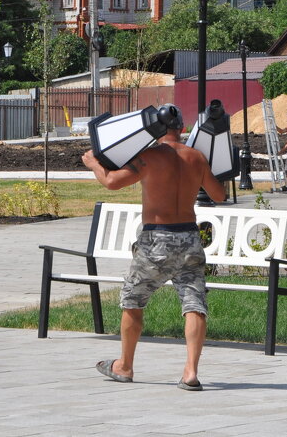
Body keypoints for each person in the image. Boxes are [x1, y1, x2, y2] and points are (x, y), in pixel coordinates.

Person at [82, 105, 227, 392]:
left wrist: (94, 164)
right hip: (188, 237)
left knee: (133, 300)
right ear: (182, 129)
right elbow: (219, 195)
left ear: (153, 129)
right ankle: (191, 371)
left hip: (155, 241)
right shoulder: (197, 157)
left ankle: (124, 365)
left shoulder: (147, 157)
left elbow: (111, 182)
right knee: (194, 304)